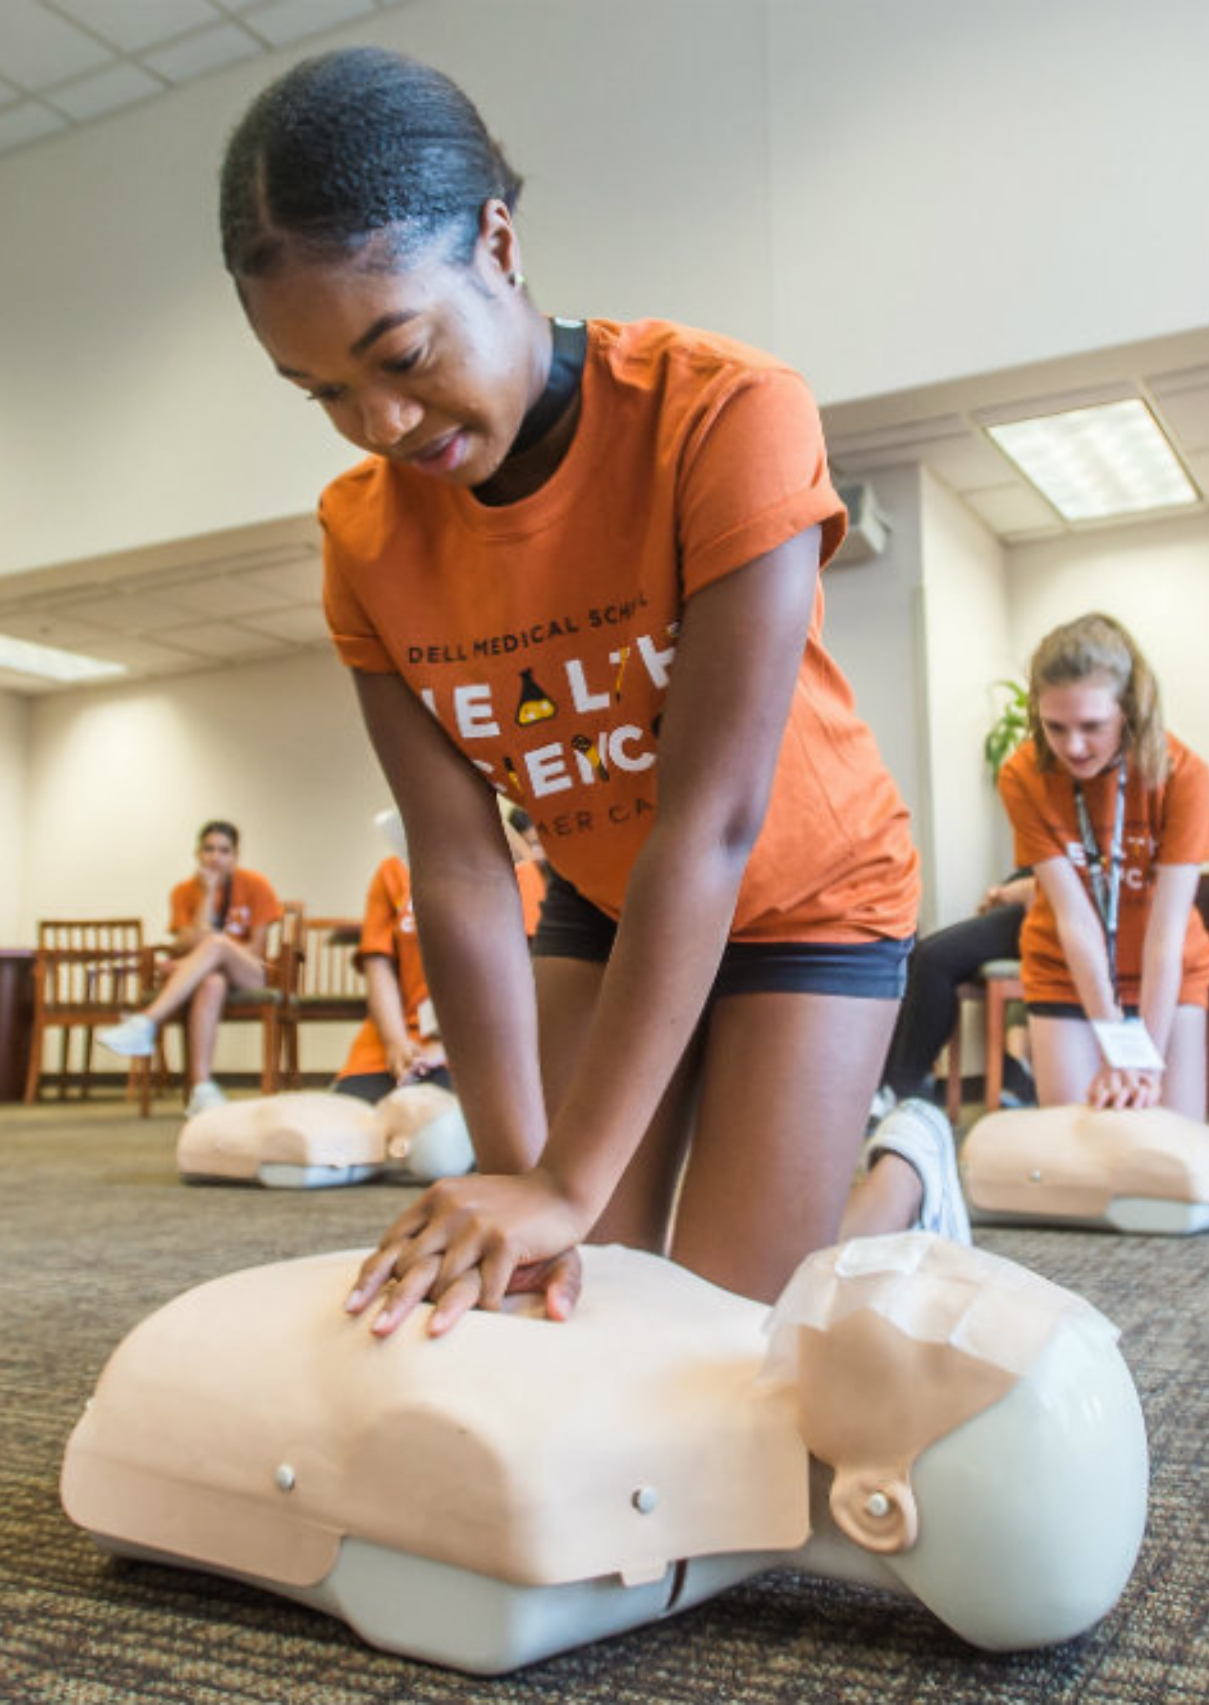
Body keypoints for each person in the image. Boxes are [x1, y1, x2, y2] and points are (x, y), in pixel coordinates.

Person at [217, 46, 952, 1336]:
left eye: (401, 353)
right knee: (566, 1305)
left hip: (806, 895)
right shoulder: (362, 539)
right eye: (323, 391)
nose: (380, 423)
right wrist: (523, 1183)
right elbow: (457, 868)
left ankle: (905, 1174)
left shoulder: (725, 414)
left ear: (496, 243)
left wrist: (566, 1175)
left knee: (722, 1337)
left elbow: (709, 823)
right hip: (605, 903)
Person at [995, 614, 1209, 1120]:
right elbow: (1075, 919)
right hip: (1066, 971)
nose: (1073, 746)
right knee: (1083, 1152)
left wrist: (1144, 1062)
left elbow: (1167, 936)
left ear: (1130, 711)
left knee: (1171, 1151)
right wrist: (1116, 1043)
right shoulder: (1022, 775)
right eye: (1055, 727)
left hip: (1167, 972)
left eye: (1092, 726)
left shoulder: (1184, 775)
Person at [332, 812, 549, 1103]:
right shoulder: (392, 872)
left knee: (433, 1133)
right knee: (346, 1127)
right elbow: (378, 964)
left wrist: (450, 1050)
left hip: (483, 1045)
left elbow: (526, 977)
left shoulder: (521, 871)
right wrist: (396, 1042)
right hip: (394, 1044)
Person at [96, 820, 284, 1115]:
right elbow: (186, 941)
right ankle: (201, 1089)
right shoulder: (184, 891)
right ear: (197, 853)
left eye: (224, 850)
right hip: (207, 975)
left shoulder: (256, 885)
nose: (215, 857)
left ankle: (146, 1021)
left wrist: (193, 960)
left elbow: (255, 950)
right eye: (208, 849)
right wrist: (208, 895)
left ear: (235, 855)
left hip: (251, 972)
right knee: (212, 983)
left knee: (218, 945)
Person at [873, 872, 1037, 1115]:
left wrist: (1007, 892)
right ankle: (892, 1084)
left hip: (1050, 910)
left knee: (933, 960)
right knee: (919, 955)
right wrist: (1002, 890)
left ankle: (904, 1090)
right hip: (1033, 896)